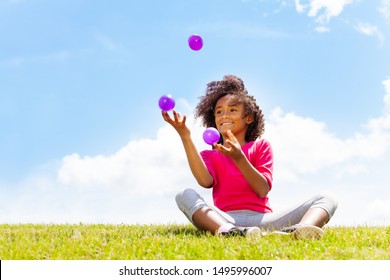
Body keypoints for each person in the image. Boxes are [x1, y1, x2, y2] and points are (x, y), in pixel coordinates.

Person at [162, 75, 338, 239]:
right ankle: (230, 232)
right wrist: (185, 136)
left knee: (327, 197)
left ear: (249, 118)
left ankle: (300, 229)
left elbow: (262, 189)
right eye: (219, 112)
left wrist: (239, 158)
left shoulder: (260, 146)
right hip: (224, 218)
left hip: (263, 219)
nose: (224, 115)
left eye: (232, 110)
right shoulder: (209, 155)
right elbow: (205, 181)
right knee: (183, 195)